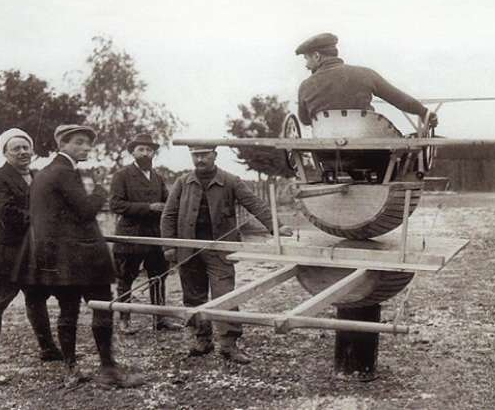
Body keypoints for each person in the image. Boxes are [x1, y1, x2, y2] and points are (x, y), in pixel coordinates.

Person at [21, 124, 144, 388]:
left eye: (88, 144)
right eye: (78, 143)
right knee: (102, 307)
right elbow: (87, 211)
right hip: (85, 257)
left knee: (68, 311)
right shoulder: (64, 172)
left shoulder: (43, 173)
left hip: (61, 259)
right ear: (62, 145)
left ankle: (71, 370)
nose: (86, 148)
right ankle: (109, 371)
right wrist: (101, 188)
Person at [161, 145, 293, 364]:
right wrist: (169, 246)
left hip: (219, 250)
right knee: (193, 296)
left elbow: (254, 204)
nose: (200, 159)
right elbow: (169, 214)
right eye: (196, 155)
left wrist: (276, 227)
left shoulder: (231, 181)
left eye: (204, 154)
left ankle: (228, 345)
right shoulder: (183, 182)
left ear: (215, 155)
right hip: (188, 249)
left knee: (225, 295)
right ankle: (202, 339)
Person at [0, 128, 62, 384]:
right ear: (4, 152)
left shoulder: (39, 177)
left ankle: (47, 348)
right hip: (10, 254)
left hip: (36, 253)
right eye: (16, 148)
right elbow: (7, 215)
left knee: (37, 298)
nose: (23, 152)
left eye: (26, 147)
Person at [110, 133, 183, 334]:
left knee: (158, 277)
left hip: (155, 235)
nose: (145, 153)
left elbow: (169, 203)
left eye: (149, 150)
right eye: (141, 149)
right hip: (130, 235)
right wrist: (149, 207)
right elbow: (116, 204)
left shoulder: (158, 177)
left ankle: (160, 319)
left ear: (153, 153)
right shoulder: (121, 175)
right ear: (133, 152)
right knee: (126, 278)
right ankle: (124, 320)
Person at [295, 32, 438, 130]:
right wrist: (424, 112)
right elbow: (400, 100)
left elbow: (306, 120)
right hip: (369, 152)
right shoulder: (365, 74)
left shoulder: (305, 86)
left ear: (317, 56)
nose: (306, 65)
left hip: (326, 154)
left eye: (306, 59)